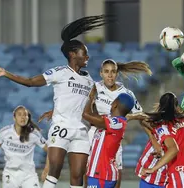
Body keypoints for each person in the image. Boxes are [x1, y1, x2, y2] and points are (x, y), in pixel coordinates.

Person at [0, 15, 113, 188]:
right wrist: (6, 73)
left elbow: (82, 105)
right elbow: (30, 82)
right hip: (61, 128)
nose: (88, 56)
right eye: (85, 52)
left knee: (78, 174)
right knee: (55, 169)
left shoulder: (90, 80)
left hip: (81, 130)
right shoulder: (60, 72)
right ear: (73, 54)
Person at [39, 58, 152, 188]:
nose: (110, 75)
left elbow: (141, 117)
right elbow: (76, 103)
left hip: (113, 138)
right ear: (101, 73)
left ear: (117, 73)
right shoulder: (95, 87)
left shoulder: (126, 94)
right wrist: (56, 111)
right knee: (88, 174)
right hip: (94, 135)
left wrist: (153, 139)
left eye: (113, 72)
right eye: (106, 71)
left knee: (116, 177)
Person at [140, 92, 184, 188]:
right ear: (177, 106)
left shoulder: (165, 126)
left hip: (179, 178)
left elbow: (173, 149)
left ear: (160, 106)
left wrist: (153, 169)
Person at [0, 105, 48, 188]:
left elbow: (50, 150)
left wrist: (47, 169)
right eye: (19, 114)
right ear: (14, 118)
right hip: (10, 174)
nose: (23, 117)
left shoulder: (34, 134)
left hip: (29, 175)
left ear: (28, 118)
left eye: (25, 115)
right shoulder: (5, 132)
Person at [82, 86, 135, 188]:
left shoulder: (117, 122)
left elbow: (86, 114)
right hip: (96, 173)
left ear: (115, 104)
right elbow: (94, 117)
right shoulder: (110, 121)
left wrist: (91, 96)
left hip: (101, 174)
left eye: (113, 101)